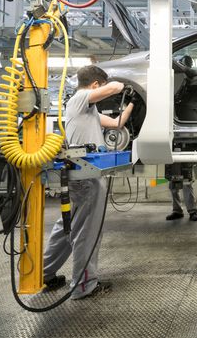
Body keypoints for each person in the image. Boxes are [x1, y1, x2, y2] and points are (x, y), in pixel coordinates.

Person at [43, 65, 136, 299]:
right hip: (86, 178)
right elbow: (114, 87)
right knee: (86, 231)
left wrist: (133, 103)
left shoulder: (88, 112)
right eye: (101, 87)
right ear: (95, 85)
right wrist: (124, 85)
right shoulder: (79, 99)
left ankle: (45, 272)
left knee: (66, 226)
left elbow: (117, 123)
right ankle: (85, 285)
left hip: (82, 174)